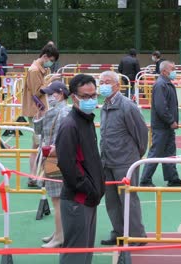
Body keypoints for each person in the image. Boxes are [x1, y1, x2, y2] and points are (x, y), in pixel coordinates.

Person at [56, 74, 105, 264]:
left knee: (85, 253)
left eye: (93, 95)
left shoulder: (86, 121)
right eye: (85, 96)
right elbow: (68, 166)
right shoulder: (70, 126)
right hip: (78, 200)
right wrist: (90, 188)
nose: (91, 100)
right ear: (74, 97)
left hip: (89, 199)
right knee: (75, 254)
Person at [98, 71, 148, 246]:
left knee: (128, 199)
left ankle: (137, 235)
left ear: (117, 85)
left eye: (108, 82)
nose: (103, 85)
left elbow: (141, 133)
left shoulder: (127, 106)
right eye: (101, 82)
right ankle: (118, 232)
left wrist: (135, 156)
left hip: (125, 160)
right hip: (107, 160)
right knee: (111, 200)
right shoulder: (104, 105)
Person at [33, 81, 71, 248]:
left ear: (61, 94)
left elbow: (43, 134)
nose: (48, 97)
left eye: (51, 93)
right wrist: (40, 115)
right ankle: (58, 233)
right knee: (57, 200)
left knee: (58, 201)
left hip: (55, 160)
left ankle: (60, 236)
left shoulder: (63, 112)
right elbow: (39, 132)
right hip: (54, 159)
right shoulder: (57, 111)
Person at [139, 61, 181, 187]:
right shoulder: (161, 85)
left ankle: (172, 178)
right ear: (164, 71)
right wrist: (171, 120)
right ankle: (145, 179)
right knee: (156, 152)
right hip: (162, 125)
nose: (175, 71)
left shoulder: (165, 84)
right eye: (172, 69)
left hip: (166, 125)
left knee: (169, 151)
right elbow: (161, 107)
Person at [22, 44, 59, 187]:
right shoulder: (34, 70)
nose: (51, 63)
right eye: (51, 60)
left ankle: (38, 175)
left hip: (39, 110)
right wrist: (51, 84)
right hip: (36, 111)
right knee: (38, 144)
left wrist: (49, 79)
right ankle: (34, 176)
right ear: (45, 56)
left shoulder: (38, 69)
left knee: (39, 144)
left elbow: (38, 88)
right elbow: (37, 92)